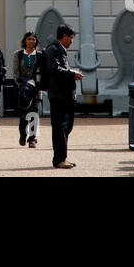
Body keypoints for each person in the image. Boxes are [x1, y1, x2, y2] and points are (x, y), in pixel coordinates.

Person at [42, 25, 82, 169]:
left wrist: (71, 73)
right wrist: (72, 73)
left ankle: (62, 157)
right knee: (60, 127)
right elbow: (54, 69)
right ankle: (59, 159)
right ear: (64, 36)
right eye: (70, 38)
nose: (71, 41)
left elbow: (60, 69)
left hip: (65, 95)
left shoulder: (59, 50)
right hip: (59, 95)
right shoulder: (53, 49)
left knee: (66, 126)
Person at [13, 32, 42, 148]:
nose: (31, 41)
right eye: (29, 39)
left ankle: (32, 138)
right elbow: (15, 73)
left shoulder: (39, 55)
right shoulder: (18, 54)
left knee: (34, 113)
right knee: (24, 114)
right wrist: (22, 84)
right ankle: (22, 134)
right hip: (23, 88)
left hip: (36, 88)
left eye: (34, 39)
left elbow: (42, 72)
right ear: (25, 41)